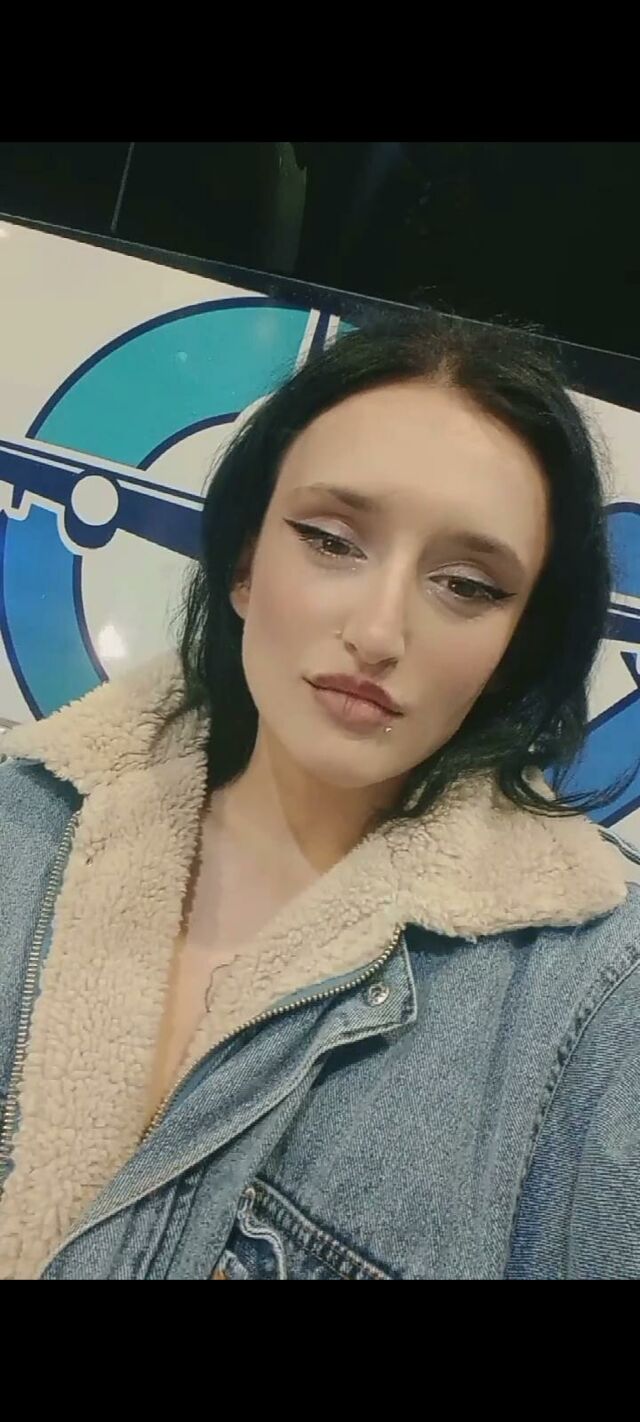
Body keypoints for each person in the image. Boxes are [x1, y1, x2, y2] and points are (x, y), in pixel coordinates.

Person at [1, 312, 639, 1281]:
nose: (378, 632)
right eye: (332, 540)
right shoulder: (21, 826)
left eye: (467, 586)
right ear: (244, 563)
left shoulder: (589, 1005)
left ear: (516, 648)